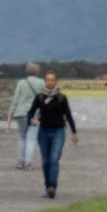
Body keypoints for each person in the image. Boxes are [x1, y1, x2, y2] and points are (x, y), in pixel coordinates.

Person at [25, 71, 78, 199]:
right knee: (45, 161)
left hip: (58, 131)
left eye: (52, 80)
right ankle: (47, 186)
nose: (50, 82)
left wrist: (74, 132)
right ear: (45, 82)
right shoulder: (40, 97)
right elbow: (30, 113)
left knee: (54, 159)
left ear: (56, 82)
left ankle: (52, 186)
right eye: (48, 80)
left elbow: (69, 115)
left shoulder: (61, 98)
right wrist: (31, 120)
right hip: (43, 131)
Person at [8, 63, 46, 169]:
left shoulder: (21, 83)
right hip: (34, 114)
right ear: (37, 72)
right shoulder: (41, 83)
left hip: (21, 113)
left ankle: (20, 161)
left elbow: (16, 99)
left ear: (27, 71)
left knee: (22, 137)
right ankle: (28, 163)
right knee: (31, 138)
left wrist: (10, 113)